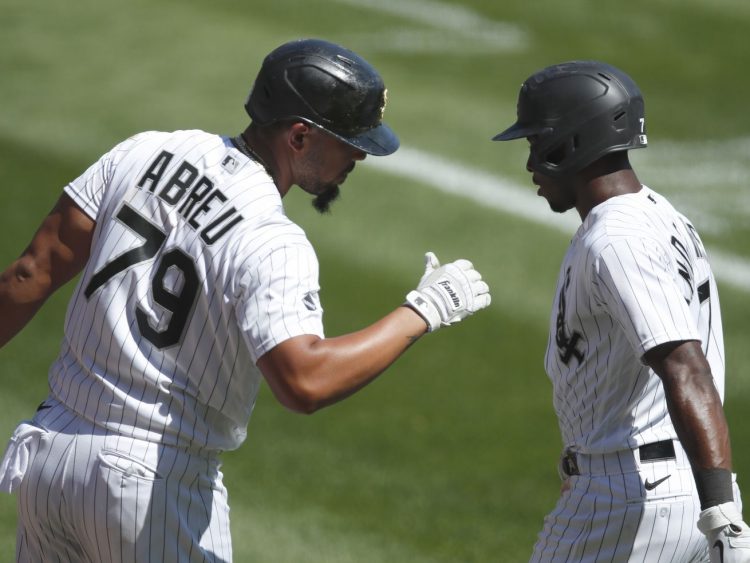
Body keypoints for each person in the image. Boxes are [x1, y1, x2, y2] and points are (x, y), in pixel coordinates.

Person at [0, 38, 491, 562]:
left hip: (48, 457)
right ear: (299, 136)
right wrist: (423, 310)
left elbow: (31, 271)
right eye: (350, 141)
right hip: (149, 487)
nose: (359, 156)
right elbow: (305, 381)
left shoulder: (145, 149)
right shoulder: (271, 238)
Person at [493, 60, 750, 562]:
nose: (530, 165)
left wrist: (723, 515)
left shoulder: (617, 237)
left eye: (535, 145)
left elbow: (685, 366)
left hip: (630, 499)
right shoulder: (656, 214)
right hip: (666, 489)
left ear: (567, 144)